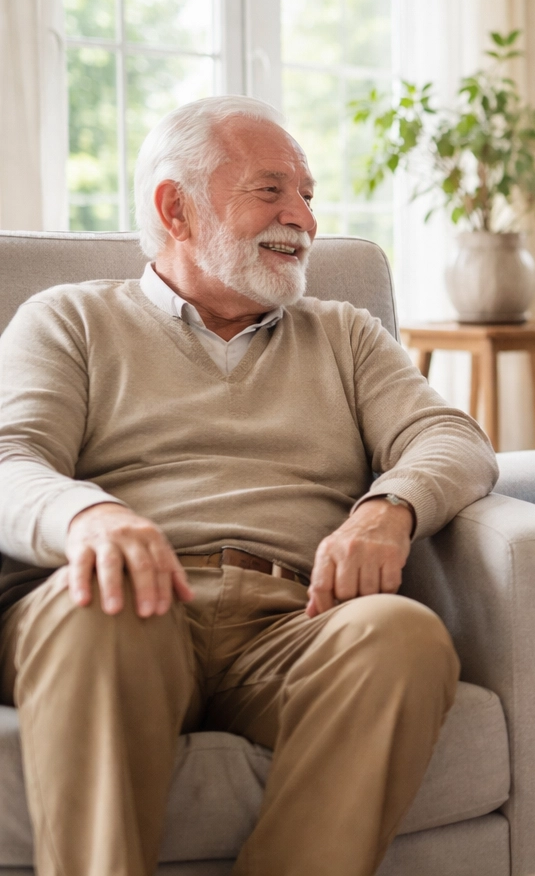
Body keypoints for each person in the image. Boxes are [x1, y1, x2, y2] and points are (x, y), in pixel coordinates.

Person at [0, 96, 498, 876]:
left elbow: (451, 439)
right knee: (104, 612)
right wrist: (87, 516)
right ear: (177, 208)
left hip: (291, 618)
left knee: (402, 638)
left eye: (306, 194)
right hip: (122, 597)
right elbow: (9, 459)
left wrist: (388, 509)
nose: (302, 217)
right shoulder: (70, 319)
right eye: (271, 189)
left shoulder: (343, 333)